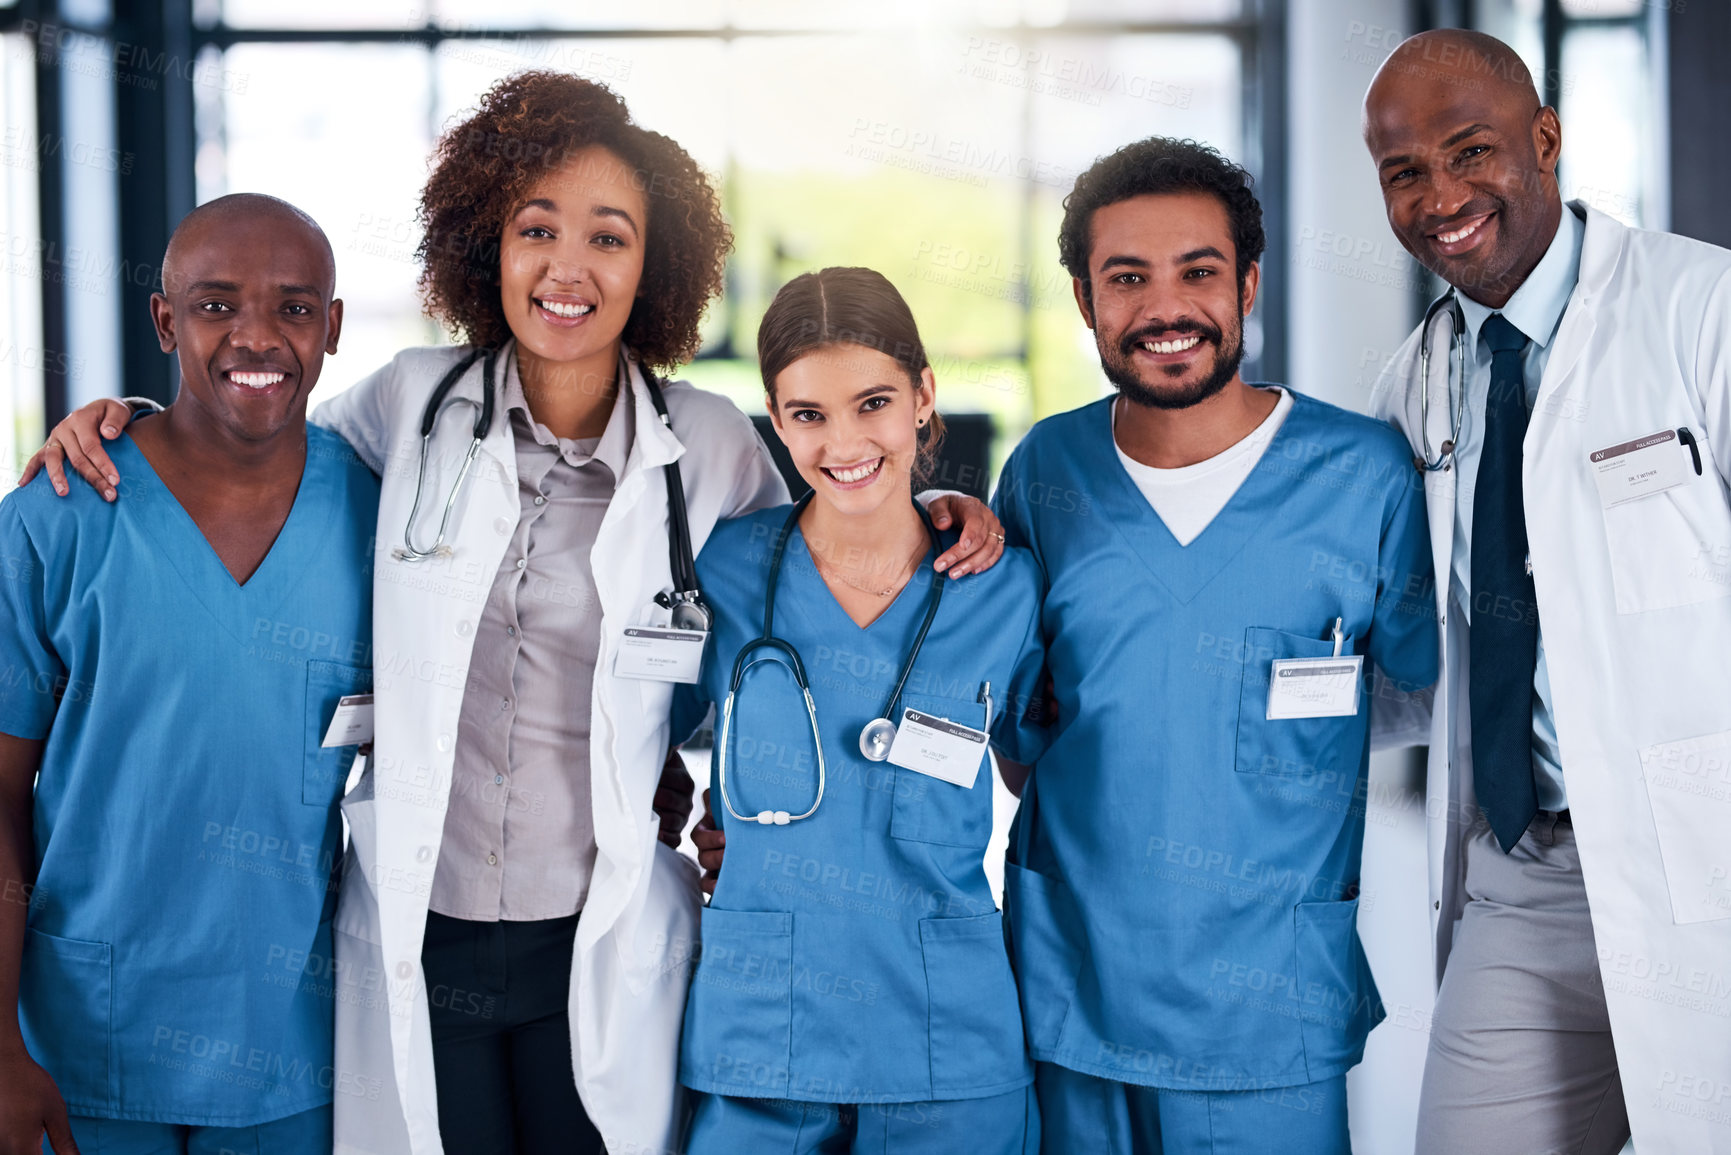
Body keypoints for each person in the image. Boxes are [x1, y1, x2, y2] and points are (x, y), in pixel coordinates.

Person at [25, 73, 1006, 1155]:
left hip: (600, 934)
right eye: (536, 229)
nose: (568, 268)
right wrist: (126, 418)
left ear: (655, 265)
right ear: (486, 244)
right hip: (423, 934)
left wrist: (938, 504)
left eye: (610, 237)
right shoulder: (411, 401)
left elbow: (814, 587)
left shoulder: (711, 443)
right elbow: (251, 435)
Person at [991, 138, 1436, 1153]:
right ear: (1083, 297)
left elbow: (1414, 691)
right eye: (1127, 277)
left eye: (1198, 270)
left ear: (1248, 283)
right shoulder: (1047, 471)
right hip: (1072, 997)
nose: (1166, 307)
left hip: (1267, 1016)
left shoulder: (1362, 476)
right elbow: (1019, 728)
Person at [1363, 29, 1731, 1155]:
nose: (1441, 197)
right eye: (1403, 172)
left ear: (1546, 140)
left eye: (1470, 151)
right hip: (1524, 875)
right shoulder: (1413, 387)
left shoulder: (1701, 310)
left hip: (1709, 858)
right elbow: (1413, 658)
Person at [0, 194, 375, 1154]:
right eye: (216, 305)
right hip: (83, 1043)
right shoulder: (59, 515)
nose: (258, 336)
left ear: (332, 328)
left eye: (295, 308)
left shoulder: (386, 523)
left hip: (295, 1051)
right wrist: (0, 1044)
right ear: (165, 320)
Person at [673, 267, 1047, 1155]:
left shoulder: (1001, 587)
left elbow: (1044, 773)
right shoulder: (722, 569)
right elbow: (627, 741)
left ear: (922, 396)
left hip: (946, 1042)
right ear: (774, 415)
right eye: (807, 414)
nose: (843, 441)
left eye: (872, 402)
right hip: (761, 1039)